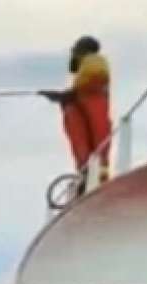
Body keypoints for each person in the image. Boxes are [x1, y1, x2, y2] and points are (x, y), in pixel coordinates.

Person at [41, 36, 111, 189]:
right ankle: (89, 176)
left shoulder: (93, 62)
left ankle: (92, 177)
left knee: (97, 151)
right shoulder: (88, 70)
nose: (73, 54)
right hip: (90, 117)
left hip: (93, 121)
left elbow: (90, 85)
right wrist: (64, 97)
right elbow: (81, 92)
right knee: (94, 154)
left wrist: (65, 96)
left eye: (75, 50)